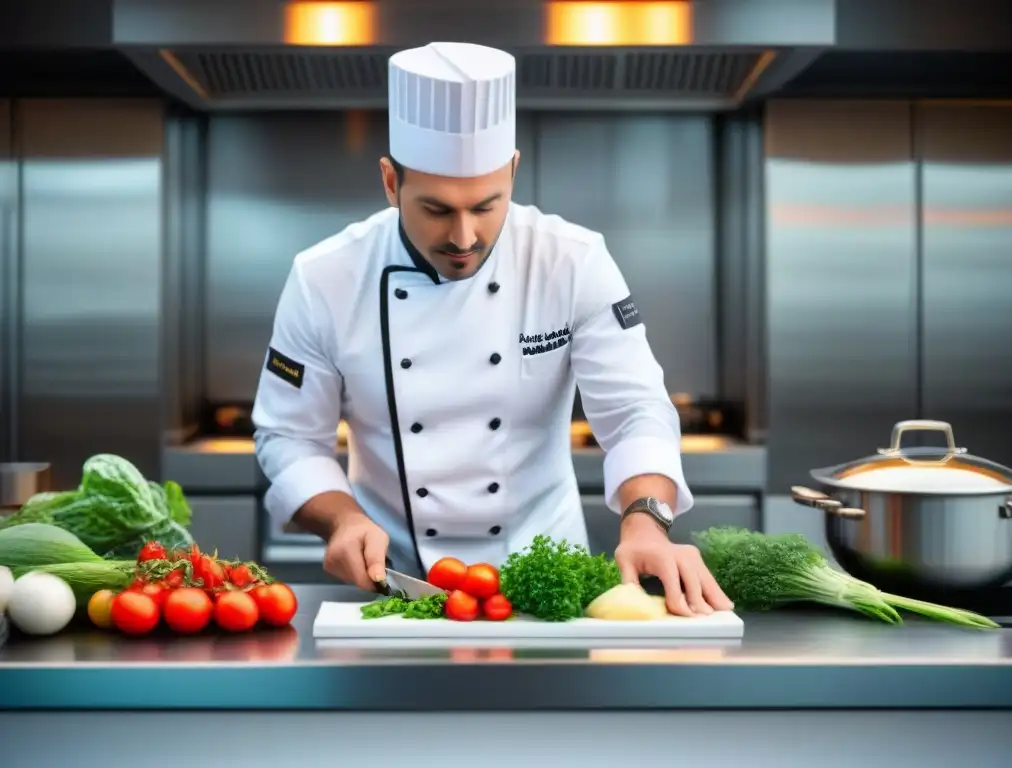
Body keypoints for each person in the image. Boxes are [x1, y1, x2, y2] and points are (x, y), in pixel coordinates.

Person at [252, 41, 733, 617]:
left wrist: (647, 522)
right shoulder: (325, 276)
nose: (463, 237)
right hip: (399, 590)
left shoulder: (571, 261)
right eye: (435, 209)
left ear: (513, 170)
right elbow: (287, 437)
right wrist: (342, 518)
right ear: (389, 181)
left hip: (552, 585)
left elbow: (636, 411)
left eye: (486, 205)